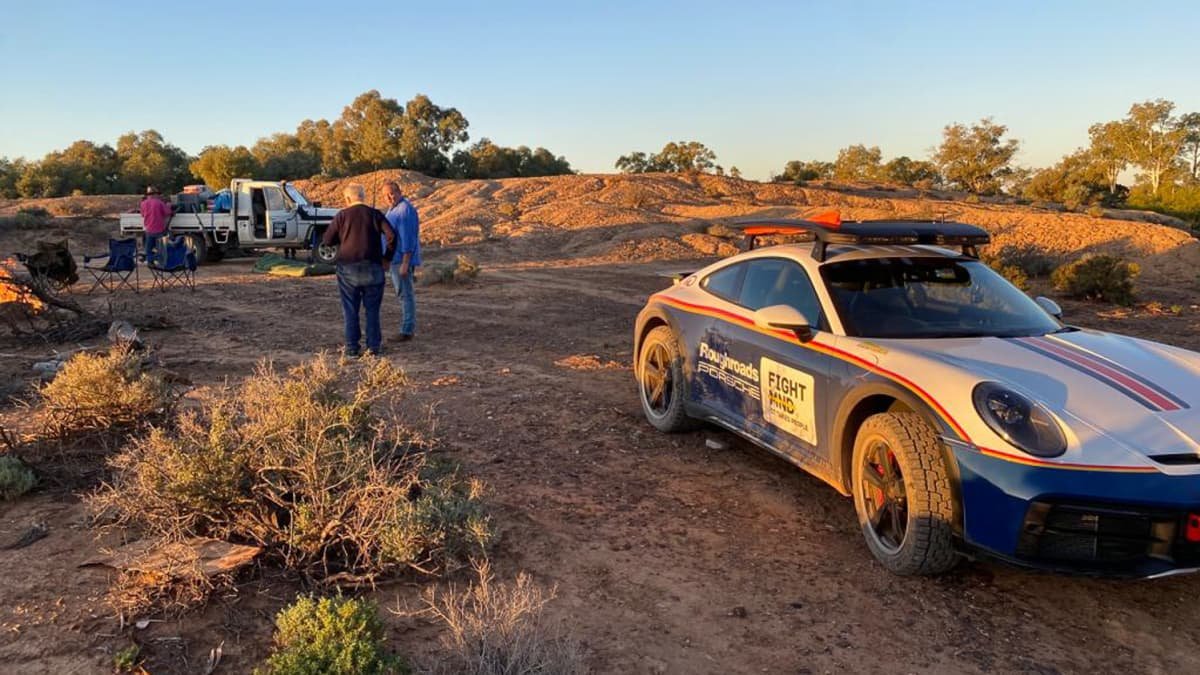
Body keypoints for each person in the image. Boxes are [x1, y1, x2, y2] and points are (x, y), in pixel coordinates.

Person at [322, 183, 395, 357]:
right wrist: (387, 258)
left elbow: (327, 240)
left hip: (348, 268)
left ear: (347, 199)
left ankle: (352, 348)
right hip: (374, 267)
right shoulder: (375, 214)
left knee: (350, 310)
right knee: (372, 310)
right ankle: (373, 347)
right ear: (363, 196)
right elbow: (392, 236)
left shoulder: (342, 215)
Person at [380, 181, 421, 340]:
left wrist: (405, 263)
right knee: (402, 293)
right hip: (394, 260)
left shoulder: (405, 210)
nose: (389, 197)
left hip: (401, 260)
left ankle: (407, 330)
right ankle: (406, 327)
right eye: (386, 195)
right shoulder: (393, 209)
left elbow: (408, 238)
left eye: (392, 193)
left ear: (399, 191)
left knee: (405, 294)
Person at [139, 186, 172, 262]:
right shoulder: (160, 203)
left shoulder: (143, 204)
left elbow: (143, 214)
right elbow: (168, 212)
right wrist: (169, 206)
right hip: (159, 229)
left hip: (149, 229)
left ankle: (150, 262)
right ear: (155, 194)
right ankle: (161, 262)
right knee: (161, 248)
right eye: (157, 194)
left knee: (148, 248)